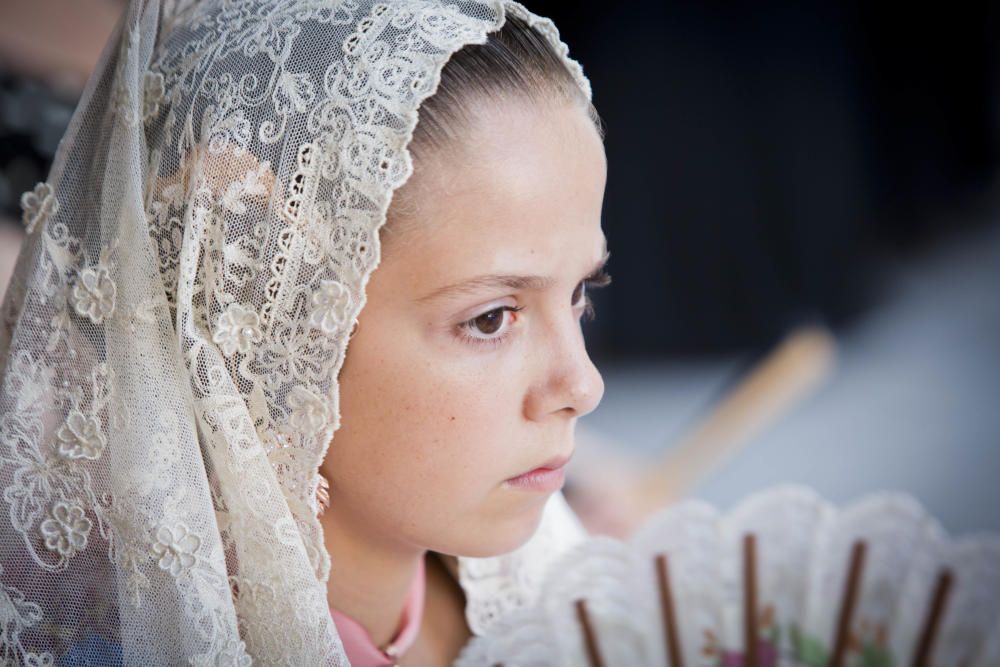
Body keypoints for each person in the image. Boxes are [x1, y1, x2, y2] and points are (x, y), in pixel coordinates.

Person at [0, 0, 609, 664]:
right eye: (490, 318)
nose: (583, 385)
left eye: (581, 292)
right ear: (268, 338)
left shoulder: (568, 597)